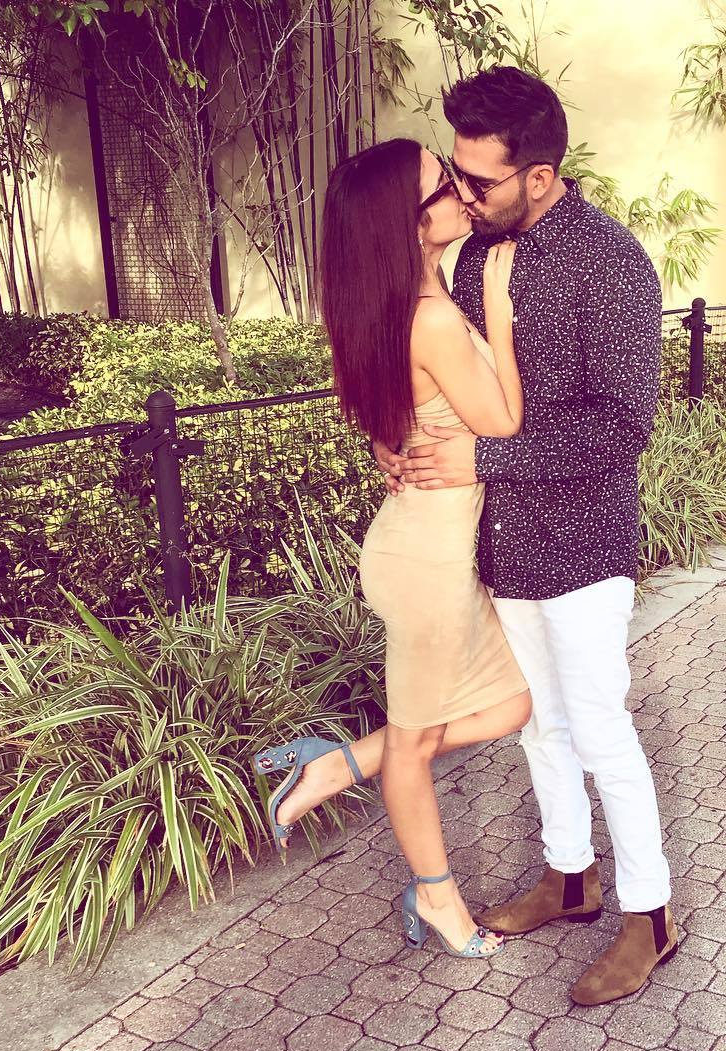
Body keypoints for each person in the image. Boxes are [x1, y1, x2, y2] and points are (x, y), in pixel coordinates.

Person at [375, 66, 676, 1006]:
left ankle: (650, 916)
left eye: (479, 180)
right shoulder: (471, 261)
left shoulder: (610, 263)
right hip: (501, 547)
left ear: (539, 175)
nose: (462, 195)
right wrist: (401, 439)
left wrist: (487, 458)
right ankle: (569, 877)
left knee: (599, 727)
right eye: (455, 173)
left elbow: (622, 427)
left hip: (583, 545)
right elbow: (449, 383)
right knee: (540, 726)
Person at [254, 137, 532, 961]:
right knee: (415, 745)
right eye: (441, 183)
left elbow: (394, 423)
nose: (458, 189)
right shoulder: (434, 316)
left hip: (422, 549)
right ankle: (437, 899)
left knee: (512, 705)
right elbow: (504, 423)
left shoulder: (397, 308)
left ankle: (337, 765)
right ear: (409, 223)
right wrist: (502, 312)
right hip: (427, 565)